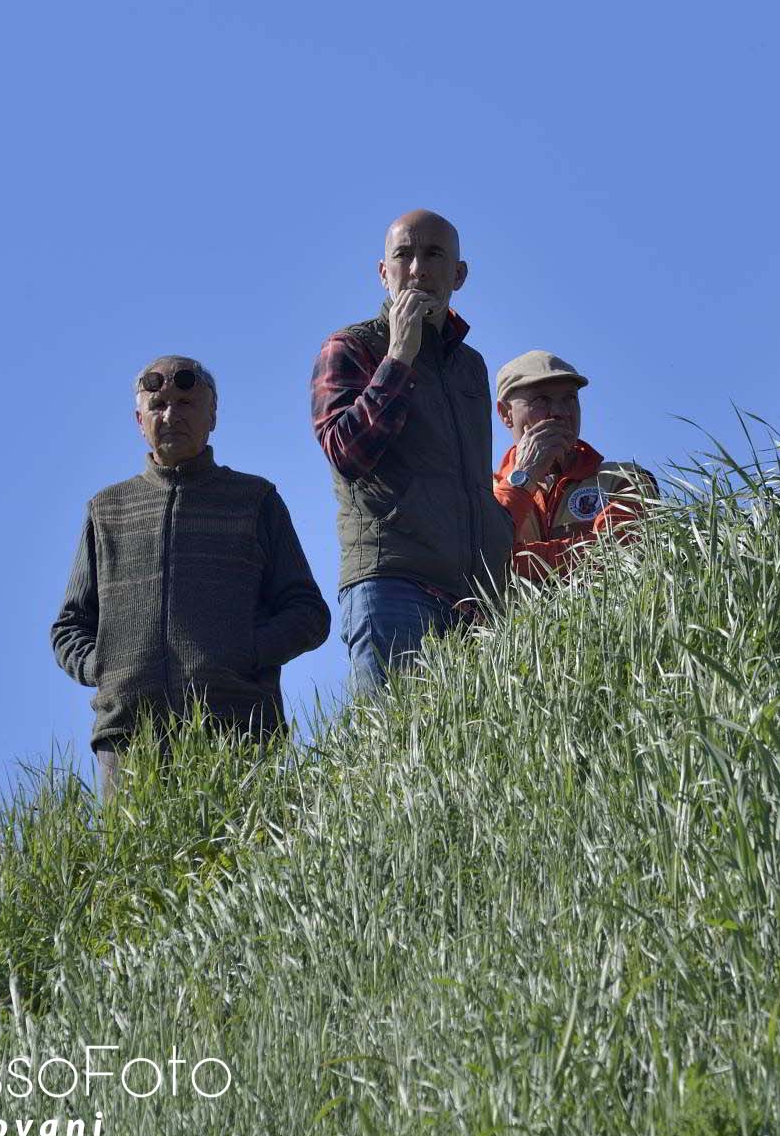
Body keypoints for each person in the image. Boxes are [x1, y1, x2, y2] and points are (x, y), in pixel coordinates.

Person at [52, 356, 329, 797]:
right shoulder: (106, 510)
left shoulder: (254, 500)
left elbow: (308, 614)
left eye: (185, 403)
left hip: (237, 727)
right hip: (128, 738)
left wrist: (243, 654)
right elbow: (69, 627)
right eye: (158, 405)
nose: (171, 415)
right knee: (138, 846)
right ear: (139, 420)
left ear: (212, 415)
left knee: (247, 843)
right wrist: (104, 666)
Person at [311, 210, 514, 693]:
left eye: (433, 254)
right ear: (384, 273)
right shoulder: (351, 346)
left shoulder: (469, 365)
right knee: (394, 738)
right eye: (404, 255)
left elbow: (470, 481)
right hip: (393, 586)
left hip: (474, 599)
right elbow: (345, 451)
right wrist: (399, 355)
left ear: (458, 275)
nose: (418, 269)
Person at [490, 350, 657, 582]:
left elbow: (617, 557)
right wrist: (524, 477)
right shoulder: (481, 491)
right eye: (541, 399)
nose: (560, 412)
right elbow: (479, 555)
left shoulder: (624, 479)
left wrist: (510, 561)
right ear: (505, 414)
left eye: (570, 398)